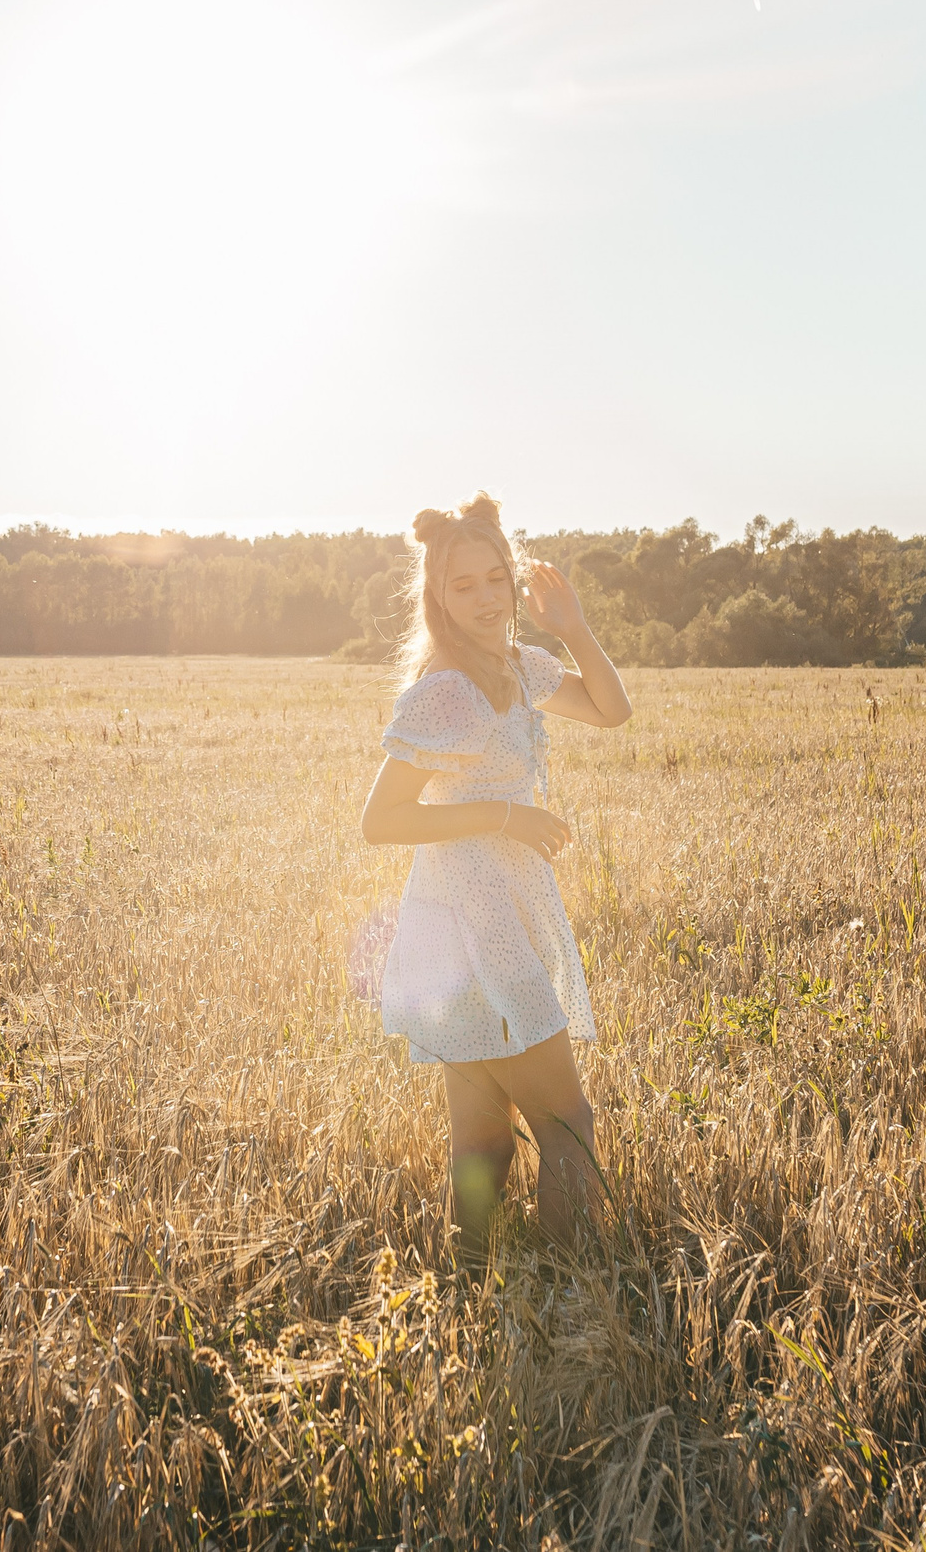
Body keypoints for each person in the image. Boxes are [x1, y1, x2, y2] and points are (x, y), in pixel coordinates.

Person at [359, 492, 634, 1270]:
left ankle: (470, 1290)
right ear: (436, 598)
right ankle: (576, 1299)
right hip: (475, 922)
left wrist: (574, 627)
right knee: (569, 1123)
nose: (484, 599)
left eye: (495, 579)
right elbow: (381, 820)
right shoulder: (447, 689)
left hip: (491, 914)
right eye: (462, 585)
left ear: (515, 581)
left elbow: (611, 709)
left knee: (482, 1138)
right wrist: (505, 817)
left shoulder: (516, 664)